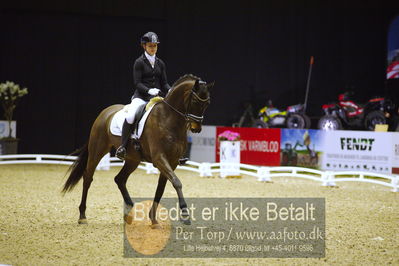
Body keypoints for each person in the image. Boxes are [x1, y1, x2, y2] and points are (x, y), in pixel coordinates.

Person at [115, 32, 171, 160]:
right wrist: (149, 90)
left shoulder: (160, 63)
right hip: (141, 97)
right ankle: (122, 147)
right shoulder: (139, 62)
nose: (153, 48)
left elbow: (164, 83)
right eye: (150, 46)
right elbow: (137, 83)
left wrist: (170, 90)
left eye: (155, 46)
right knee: (130, 116)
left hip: (155, 98)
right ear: (144, 46)